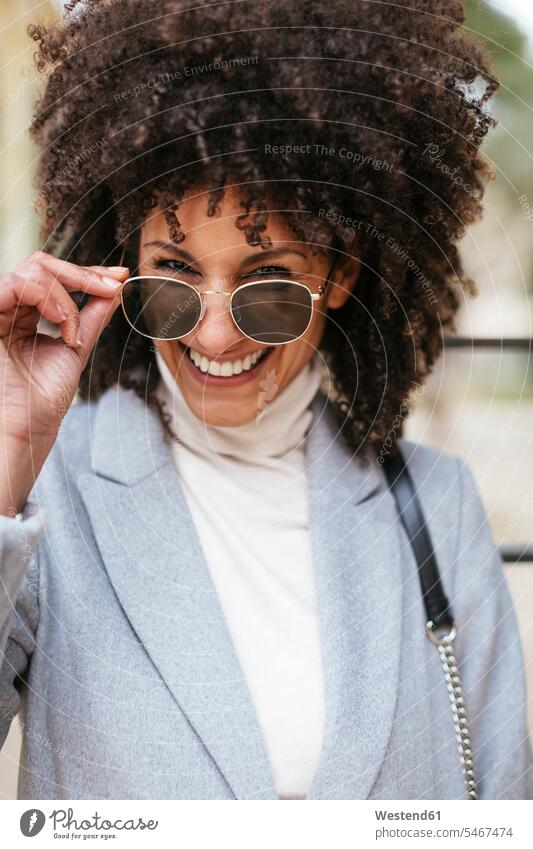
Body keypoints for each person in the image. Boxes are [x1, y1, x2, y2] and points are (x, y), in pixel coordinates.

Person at [0, 0, 531, 800]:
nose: (212, 335)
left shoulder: (439, 509)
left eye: (268, 284)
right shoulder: (45, 499)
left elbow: (504, 802)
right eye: (173, 276)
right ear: (122, 265)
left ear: (339, 275)